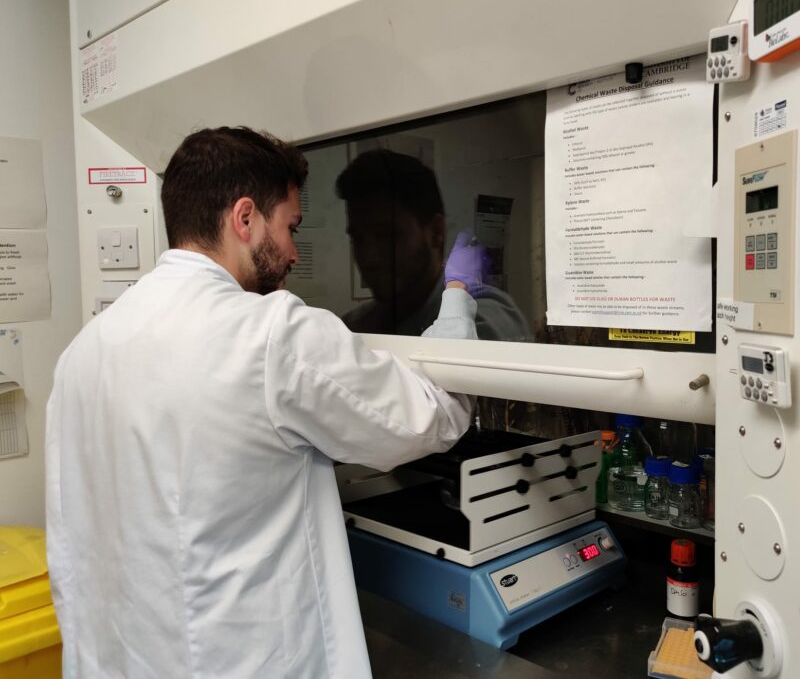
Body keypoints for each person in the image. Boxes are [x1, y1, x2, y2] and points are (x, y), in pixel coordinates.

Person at [45, 127, 484, 678]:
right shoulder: (270, 333)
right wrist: (459, 299)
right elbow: (430, 418)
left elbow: (72, 544)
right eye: (292, 226)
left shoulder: (83, 352)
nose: (296, 252)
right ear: (245, 218)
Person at [336, 148, 532, 342]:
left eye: (387, 235)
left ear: (436, 233)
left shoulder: (484, 317)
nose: (370, 257)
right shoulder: (355, 327)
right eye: (358, 238)